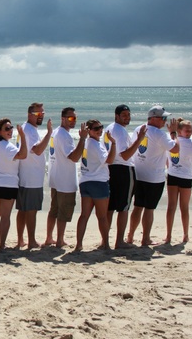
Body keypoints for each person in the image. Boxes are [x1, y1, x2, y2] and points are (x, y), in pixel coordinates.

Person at [127, 105, 179, 247]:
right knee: (149, 209)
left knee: (138, 207)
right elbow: (175, 149)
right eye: (163, 118)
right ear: (154, 118)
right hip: (154, 178)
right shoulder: (160, 134)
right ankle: (145, 239)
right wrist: (174, 133)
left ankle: (130, 236)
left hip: (139, 174)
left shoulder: (139, 129)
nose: (164, 121)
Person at [104, 105, 147, 249]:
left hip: (110, 169)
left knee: (110, 208)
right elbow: (125, 155)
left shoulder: (109, 128)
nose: (127, 117)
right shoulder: (120, 131)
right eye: (124, 114)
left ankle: (105, 242)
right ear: (116, 116)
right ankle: (119, 241)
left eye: (129, 114)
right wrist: (139, 139)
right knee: (123, 208)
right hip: (122, 170)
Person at [45, 108, 87, 248]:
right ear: (63, 118)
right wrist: (82, 139)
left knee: (54, 210)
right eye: (70, 118)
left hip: (56, 177)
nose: (73, 121)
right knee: (63, 211)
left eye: (75, 118)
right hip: (64, 180)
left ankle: (49, 238)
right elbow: (74, 157)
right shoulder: (64, 136)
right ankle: (59, 240)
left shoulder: (57, 132)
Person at [0, 118, 28, 250]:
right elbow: (23, 154)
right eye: (6, 129)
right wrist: (23, 137)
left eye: (11, 128)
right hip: (7, 184)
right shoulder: (8, 147)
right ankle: (2, 245)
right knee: (5, 215)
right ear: (0, 132)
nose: (10, 131)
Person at [74, 120, 117, 252]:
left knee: (84, 215)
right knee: (102, 216)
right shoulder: (96, 145)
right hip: (98, 182)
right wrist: (114, 143)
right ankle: (106, 245)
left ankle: (79, 245)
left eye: (101, 127)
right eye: (96, 128)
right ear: (89, 130)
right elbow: (109, 160)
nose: (99, 130)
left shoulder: (86, 143)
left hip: (85, 182)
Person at [164, 119, 192, 245]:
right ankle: (172, 236)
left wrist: (169, 166)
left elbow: (167, 157)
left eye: (190, 130)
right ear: (179, 131)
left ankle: (182, 235)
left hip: (177, 176)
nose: (189, 132)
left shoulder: (171, 140)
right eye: (186, 130)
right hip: (181, 177)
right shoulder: (188, 143)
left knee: (180, 207)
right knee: (175, 207)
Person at [15, 103, 53, 249]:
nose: (41, 116)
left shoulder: (29, 129)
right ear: (29, 114)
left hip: (28, 176)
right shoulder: (29, 130)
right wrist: (49, 133)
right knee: (30, 210)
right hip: (30, 178)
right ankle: (30, 240)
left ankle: (21, 240)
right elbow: (37, 150)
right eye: (38, 114)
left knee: (24, 210)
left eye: (42, 113)